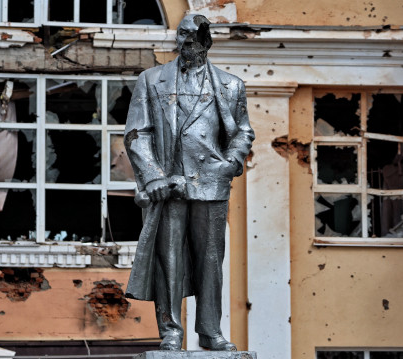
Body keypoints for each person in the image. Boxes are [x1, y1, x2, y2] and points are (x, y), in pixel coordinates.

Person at [124, 13, 254, 351]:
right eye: (181, 35)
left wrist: (230, 163)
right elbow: (138, 132)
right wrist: (151, 175)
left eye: (192, 37)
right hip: (168, 185)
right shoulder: (152, 80)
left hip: (211, 183)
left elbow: (242, 131)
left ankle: (210, 330)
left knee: (211, 260)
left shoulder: (230, 85)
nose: (184, 43)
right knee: (169, 259)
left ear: (206, 41)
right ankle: (170, 330)